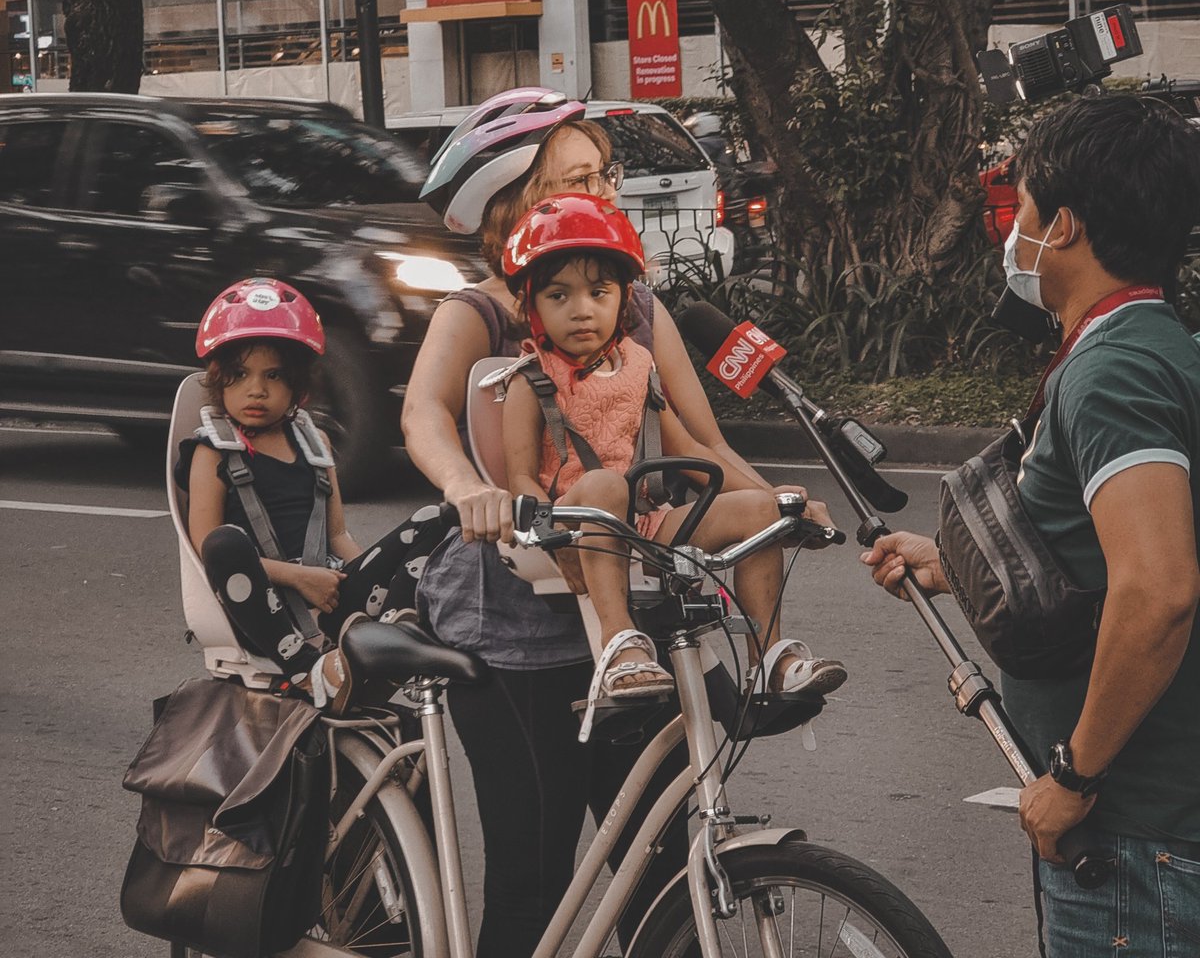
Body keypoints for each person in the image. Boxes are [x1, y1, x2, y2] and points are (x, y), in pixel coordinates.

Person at [403, 88, 836, 956]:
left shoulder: (632, 308)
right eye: (576, 175)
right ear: (511, 197)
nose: (602, 191)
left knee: (671, 867)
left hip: (631, 611)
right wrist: (466, 488)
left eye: (604, 174)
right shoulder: (481, 312)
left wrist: (783, 508)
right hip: (514, 626)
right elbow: (424, 416)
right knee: (535, 878)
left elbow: (700, 440)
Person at [861, 95, 1200, 955]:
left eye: (1026, 210)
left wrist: (1075, 775)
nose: (1014, 233)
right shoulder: (1151, 347)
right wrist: (947, 565)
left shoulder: (1113, 376)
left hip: (1133, 836)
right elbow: (1094, 549)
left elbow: (1158, 589)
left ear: (1068, 228)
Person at [500, 192, 847, 711]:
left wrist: (778, 502)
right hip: (576, 525)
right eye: (558, 296)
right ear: (532, 307)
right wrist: (551, 532)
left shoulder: (640, 366)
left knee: (756, 510)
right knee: (604, 485)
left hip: (644, 524)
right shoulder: (530, 381)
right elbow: (521, 479)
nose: (581, 310)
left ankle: (767, 655)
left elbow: (692, 455)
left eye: (599, 292)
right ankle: (622, 648)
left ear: (623, 298)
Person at [180, 277, 443, 712]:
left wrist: (359, 579)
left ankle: (386, 642)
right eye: (240, 374)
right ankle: (309, 670)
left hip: (329, 595)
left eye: (274, 375)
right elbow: (205, 550)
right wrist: (300, 578)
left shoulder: (313, 440)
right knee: (225, 542)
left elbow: (337, 534)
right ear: (218, 378)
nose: (256, 390)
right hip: (263, 610)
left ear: (298, 385)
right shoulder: (211, 451)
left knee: (437, 517)